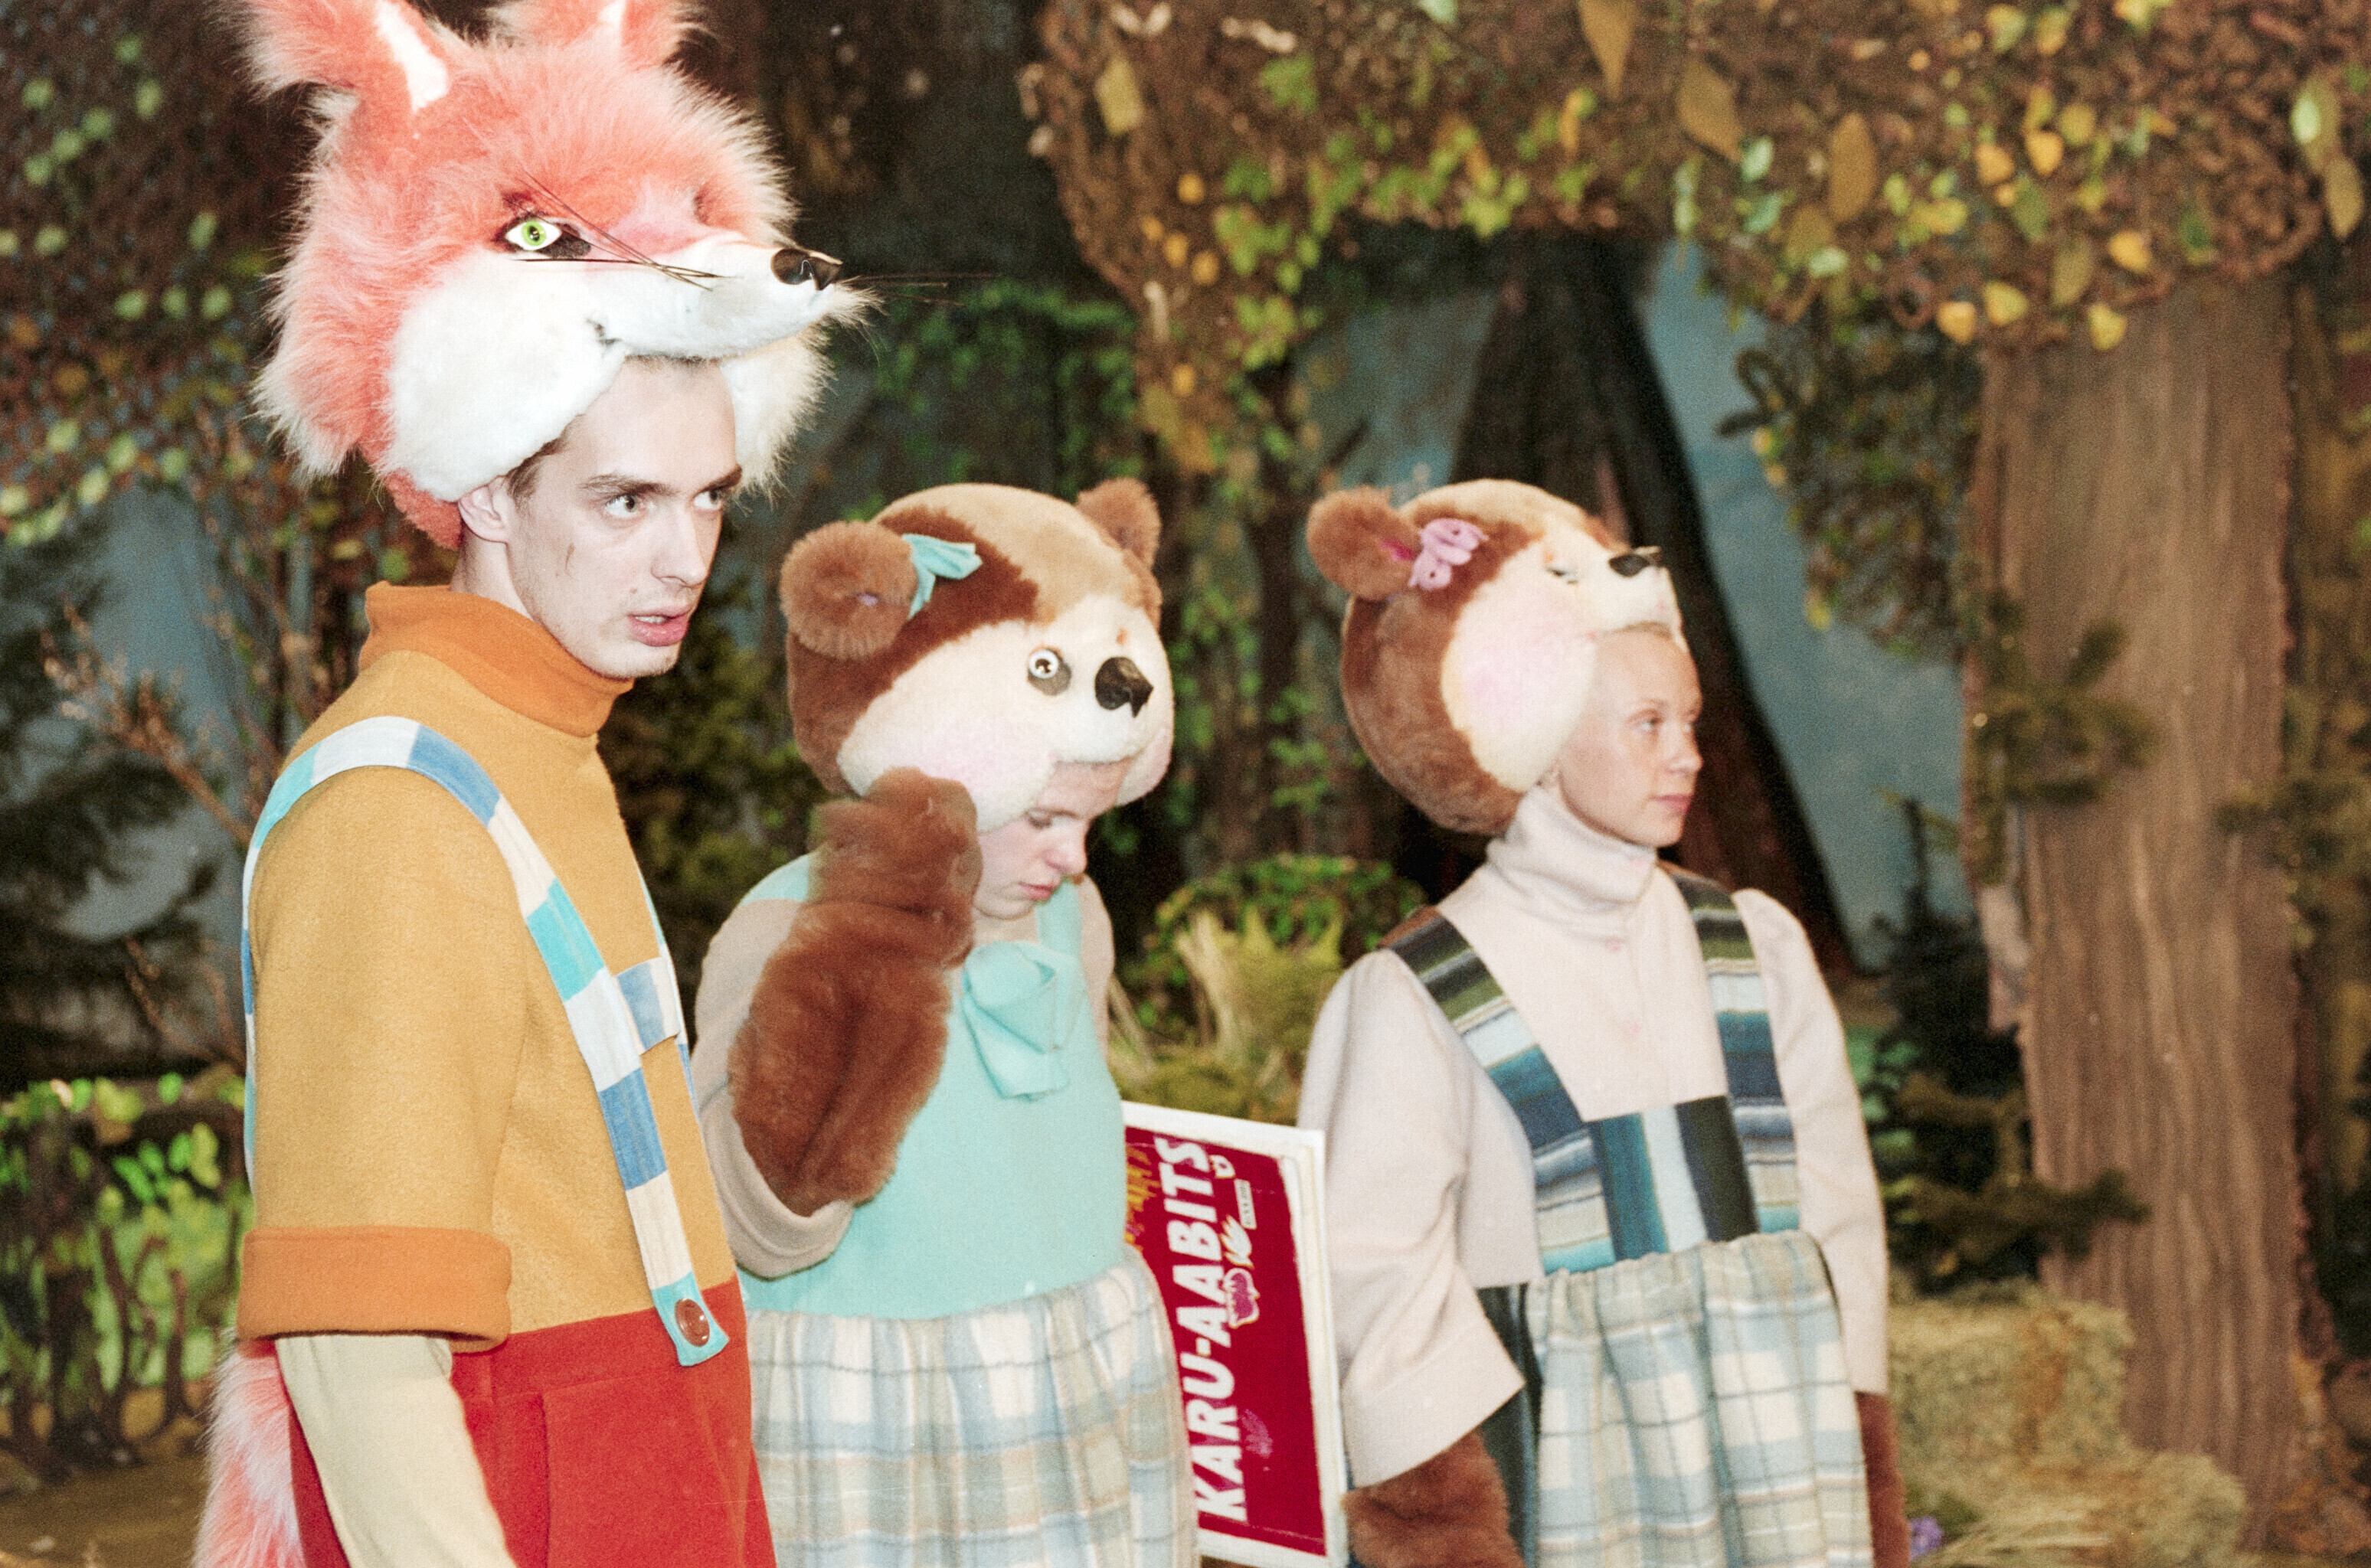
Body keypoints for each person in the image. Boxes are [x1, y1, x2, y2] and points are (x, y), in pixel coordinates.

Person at [201, 2, 849, 1561]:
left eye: (707, 498)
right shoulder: (399, 804)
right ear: (486, 486)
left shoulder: (536, 738)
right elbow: (361, 1360)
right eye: (624, 501)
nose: (685, 558)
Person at [1297, 480, 1908, 1568]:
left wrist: (1866, 1446)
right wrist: (1445, 1524)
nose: (1689, 755)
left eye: (1691, 722)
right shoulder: (1419, 995)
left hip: (1785, 1478)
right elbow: (1374, 1281)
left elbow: (1841, 1223)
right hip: (1568, 1490)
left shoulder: (1753, 950)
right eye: (1647, 726)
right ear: (1536, 734)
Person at [690, 482, 1195, 1568]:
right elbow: (745, 1227)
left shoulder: (1072, 918)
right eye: (1046, 817)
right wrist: (851, 997)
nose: (1073, 858)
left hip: (1072, 1383)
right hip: (885, 1425)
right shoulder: (787, 929)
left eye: (1091, 821)